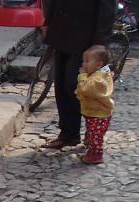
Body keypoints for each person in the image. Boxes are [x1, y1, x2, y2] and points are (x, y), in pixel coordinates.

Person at [40, 0, 116, 150]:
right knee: (61, 84)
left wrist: (100, 42)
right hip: (62, 32)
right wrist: (48, 22)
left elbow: (107, 10)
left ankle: (92, 129)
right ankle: (68, 133)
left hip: (86, 39)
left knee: (76, 86)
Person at [76, 44, 115, 164]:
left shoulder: (97, 80)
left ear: (99, 64)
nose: (84, 64)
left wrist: (82, 76)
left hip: (99, 113)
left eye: (87, 61)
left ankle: (96, 154)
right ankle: (90, 145)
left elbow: (85, 89)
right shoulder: (99, 74)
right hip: (94, 111)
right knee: (92, 131)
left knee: (96, 135)